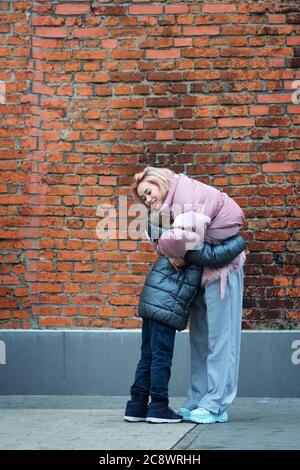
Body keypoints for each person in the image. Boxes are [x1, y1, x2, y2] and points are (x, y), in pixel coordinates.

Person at [125, 167, 246, 424]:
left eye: (149, 192)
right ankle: (197, 399)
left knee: (222, 338)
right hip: (199, 272)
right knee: (200, 338)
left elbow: (179, 238)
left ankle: (216, 405)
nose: (147, 199)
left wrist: (165, 245)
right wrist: (169, 245)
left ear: (160, 182)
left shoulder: (186, 194)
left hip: (223, 270)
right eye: (143, 198)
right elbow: (159, 234)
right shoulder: (167, 207)